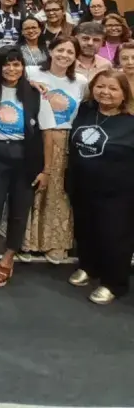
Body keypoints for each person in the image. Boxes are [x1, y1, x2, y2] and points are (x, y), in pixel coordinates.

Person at [0, 47, 56, 286]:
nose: (11, 69)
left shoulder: (35, 93)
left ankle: (7, 258)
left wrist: (46, 170)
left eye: (17, 64)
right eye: (7, 64)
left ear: (23, 68)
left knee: (19, 211)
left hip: (26, 158)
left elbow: (47, 134)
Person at [67, 70, 134, 304]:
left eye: (113, 88)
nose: (105, 92)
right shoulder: (86, 111)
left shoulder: (130, 122)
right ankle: (89, 267)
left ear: (124, 94)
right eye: (100, 86)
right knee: (85, 231)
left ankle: (114, 282)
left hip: (118, 193)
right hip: (83, 186)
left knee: (114, 237)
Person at [21, 36, 87, 262]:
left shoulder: (80, 81)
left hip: (67, 140)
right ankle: (26, 241)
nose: (64, 56)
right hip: (35, 137)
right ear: (50, 50)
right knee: (33, 188)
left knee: (59, 193)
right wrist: (30, 84)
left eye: (70, 52)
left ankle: (55, 242)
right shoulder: (31, 72)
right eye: (60, 50)